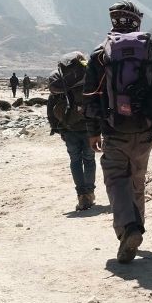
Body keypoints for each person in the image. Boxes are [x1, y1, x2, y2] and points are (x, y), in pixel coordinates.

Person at [83, 1, 152, 263]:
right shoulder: (149, 52)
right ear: (136, 21)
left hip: (113, 129)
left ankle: (129, 230)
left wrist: (93, 131)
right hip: (144, 130)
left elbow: (90, 97)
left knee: (115, 180)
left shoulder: (101, 54)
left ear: (114, 21)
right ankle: (137, 228)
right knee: (136, 181)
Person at [46, 52, 96, 211]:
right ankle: (90, 193)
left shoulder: (62, 82)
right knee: (89, 159)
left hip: (68, 128)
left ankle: (81, 196)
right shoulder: (88, 78)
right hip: (89, 127)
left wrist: (56, 127)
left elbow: (51, 107)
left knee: (75, 161)